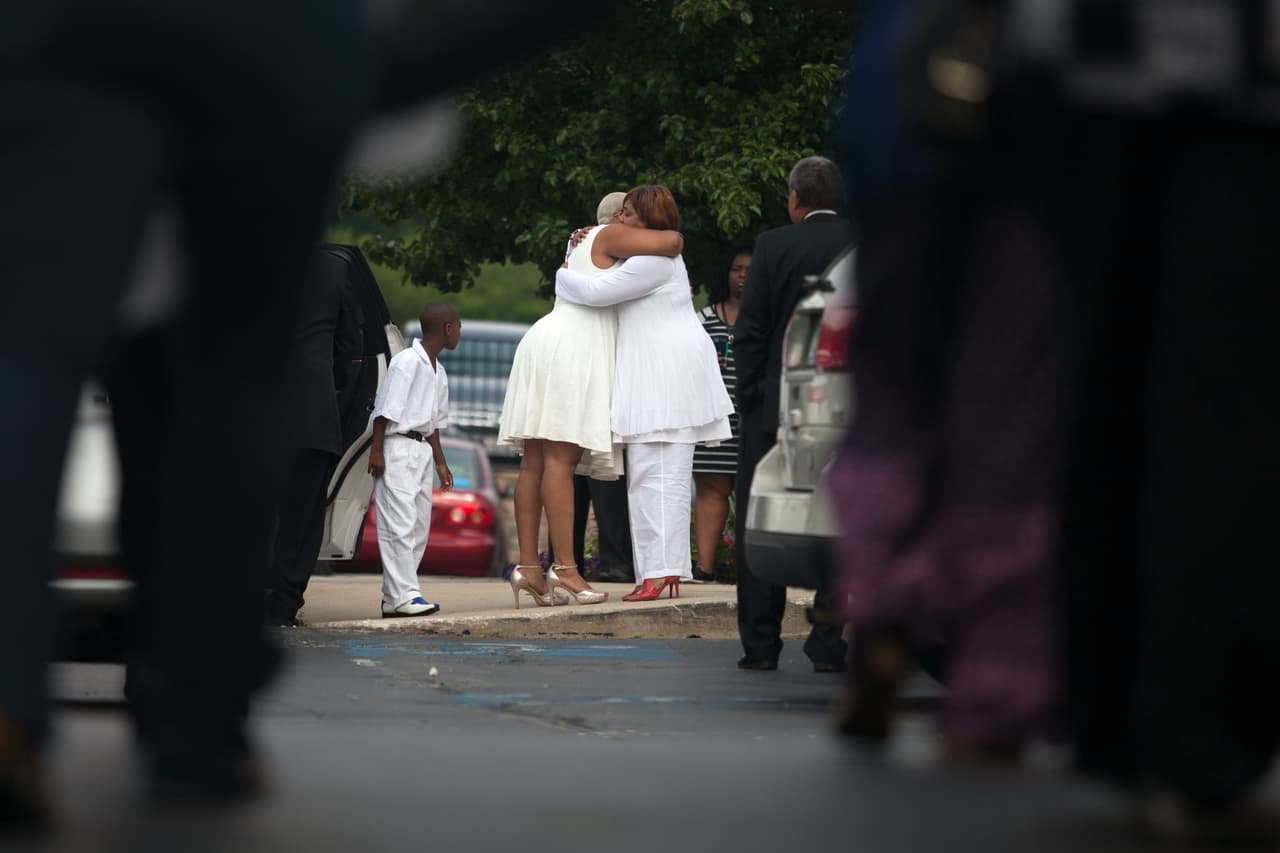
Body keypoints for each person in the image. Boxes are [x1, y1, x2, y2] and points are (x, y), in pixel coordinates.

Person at [498, 192, 682, 607]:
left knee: (534, 462)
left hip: (545, 337)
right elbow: (673, 242)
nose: (626, 219)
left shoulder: (584, 240)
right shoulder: (609, 236)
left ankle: (529, 568)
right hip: (574, 347)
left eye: (631, 213)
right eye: (626, 211)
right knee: (560, 463)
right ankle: (565, 569)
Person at [555, 185, 734, 602]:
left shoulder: (654, 260)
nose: (621, 220)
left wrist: (564, 270)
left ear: (649, 219)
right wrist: (588, 237)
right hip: (658, 368)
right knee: (655, 475)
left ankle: (660, 573)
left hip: (665, 372)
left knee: (658, 476)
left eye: (629, 214)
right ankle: (660, 571)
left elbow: (595, 292)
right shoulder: (648, 255)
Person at [732, 157, 853, 672]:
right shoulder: (864, 244)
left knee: (761, 517)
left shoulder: (774, 245)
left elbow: (752, 330)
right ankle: (828, 638)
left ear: (795, 199)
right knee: (846, 517)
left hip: (778, 408)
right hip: (850, 405)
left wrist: (753, 397)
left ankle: (760, 644)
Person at [266, 247, 365, 627]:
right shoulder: (333, 269)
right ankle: (283, 603)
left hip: (252, 415)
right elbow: (349, 346)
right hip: (312, 415)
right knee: (303, 519)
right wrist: (332, 387)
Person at [368, 302, 459, 618]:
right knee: (399, 524)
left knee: (418, 525)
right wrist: (377, 450)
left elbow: (433, 424)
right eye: (457, 326)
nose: (459, 333)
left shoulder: (439, 371)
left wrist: (440, 463)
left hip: (420, 451)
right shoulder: (407, 362)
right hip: (397, 448)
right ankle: (406, 595)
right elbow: (385, 409)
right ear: (447, 328)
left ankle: (393, 598)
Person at [690, 245, 751, 583]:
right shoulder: (702, 318)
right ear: (725, 274)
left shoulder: (766, 316)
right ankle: (706, 569)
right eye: (736, 269)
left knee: (750, 494)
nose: (743, 276)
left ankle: (750, 571)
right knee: (711, 491)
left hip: (751, 418)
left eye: (750, 270)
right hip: (712, 420)